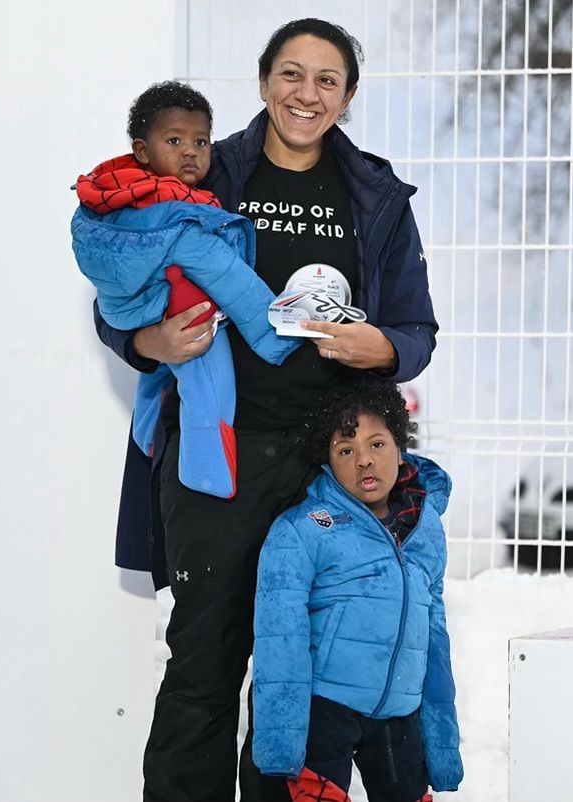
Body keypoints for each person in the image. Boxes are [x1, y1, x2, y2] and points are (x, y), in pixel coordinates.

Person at [91, 18, 439, 802]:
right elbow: (117, 298)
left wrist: (376, 347)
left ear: (347, 97)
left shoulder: (376, 198)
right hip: (221, 453)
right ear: (261, 82)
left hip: (330, 471)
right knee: (206, 659)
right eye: (290, 73)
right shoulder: (204, 177)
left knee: (304, 673)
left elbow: (416, 331)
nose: (305, 93)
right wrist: (151, 338)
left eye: (325, 80)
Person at [72, 82, 298, 499]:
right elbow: (232, 279)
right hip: (178, 315)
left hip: (132, 305)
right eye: (174, 141)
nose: (191, 151)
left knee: (157, 375)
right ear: (143, 150)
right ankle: (207, 473)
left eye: (201, 141)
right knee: (210, 391)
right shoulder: (180, 218)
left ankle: (146, 435)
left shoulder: (119, 192)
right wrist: (276, 333)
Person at [252, 377, 463, 802]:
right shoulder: (303, 528)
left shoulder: (424, 529)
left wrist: (441, 747)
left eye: (377, 444)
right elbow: (280, 641)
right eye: (346, 450)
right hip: (325, 712)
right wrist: (281, 744)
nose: (364, 461)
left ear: (400, 446)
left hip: (399, 715)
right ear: (327, 461)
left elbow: (434, 636)